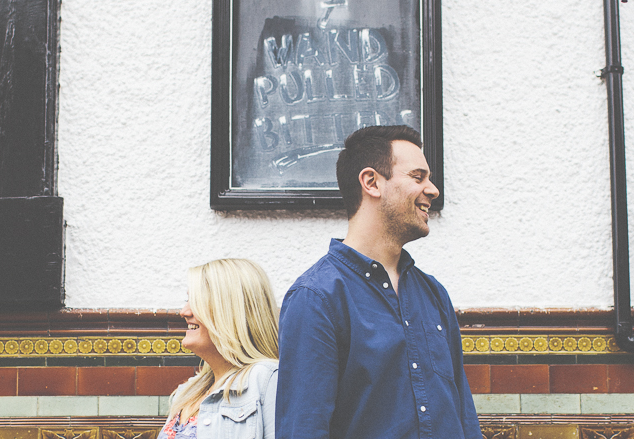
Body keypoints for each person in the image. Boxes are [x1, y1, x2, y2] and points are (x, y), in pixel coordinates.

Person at [276, 125, 482, 439]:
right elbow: (302, 429)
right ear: (372, 182)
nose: (433, 190)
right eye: (417, 176)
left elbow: (464, 416)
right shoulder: (316, 297)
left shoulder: (434, 294)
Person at [163, 258, 279, 439]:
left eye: (197, 301)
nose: (184, 311)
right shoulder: (187, 391)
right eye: (187, 300)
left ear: (230, 310)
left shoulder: (267, 380)